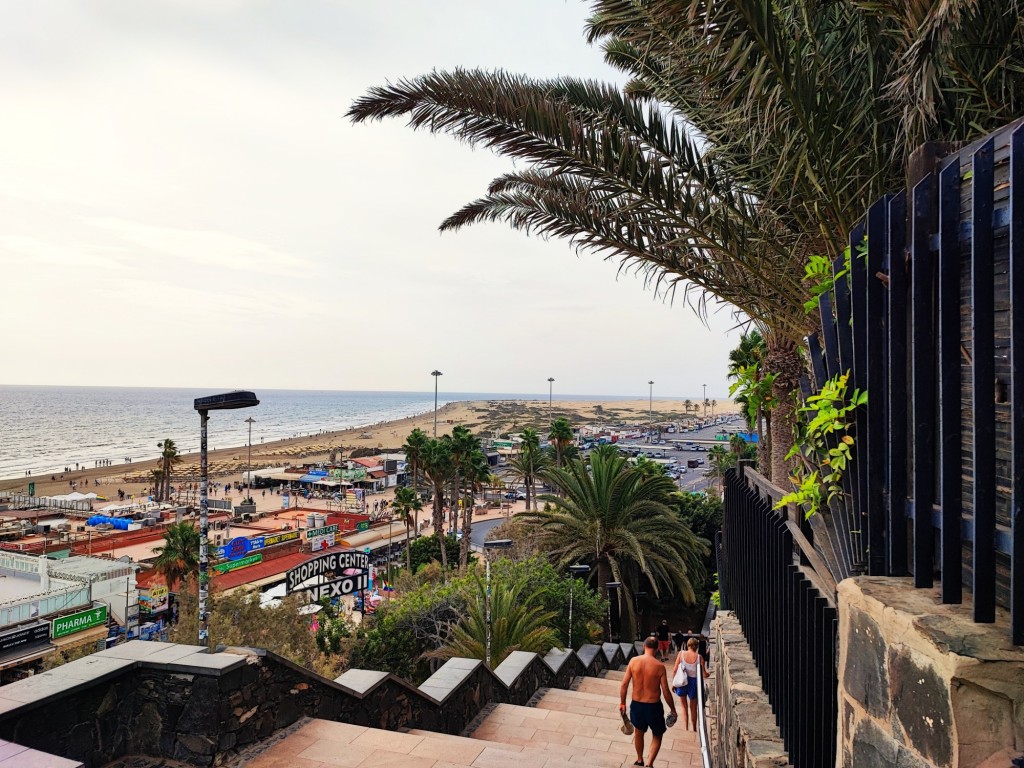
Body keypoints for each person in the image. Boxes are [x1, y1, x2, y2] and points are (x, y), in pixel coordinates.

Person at [620, 636, 677, 767]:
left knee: (639, 732)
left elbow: (624, 685)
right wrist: (673, 709)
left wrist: (622, 703)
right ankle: (649, 763)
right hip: (653, 707)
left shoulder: (634, 661)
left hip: (637, 705)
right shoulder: (659, 667)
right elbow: (666, 691)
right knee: (657, 734)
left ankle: (639, 760)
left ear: (644, 646)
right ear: (657, 649)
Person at [673, 637, 711, 731]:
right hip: (694, 683)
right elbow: (704, 674)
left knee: (683, 706)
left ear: (687, 645)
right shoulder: (699, 657)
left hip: (682, 681)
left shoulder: (681, 654)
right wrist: (709, 674)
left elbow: (675, 669)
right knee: (693, 707)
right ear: (697, 647)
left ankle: (686, 727)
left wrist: (674, 683)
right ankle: (694, 728)